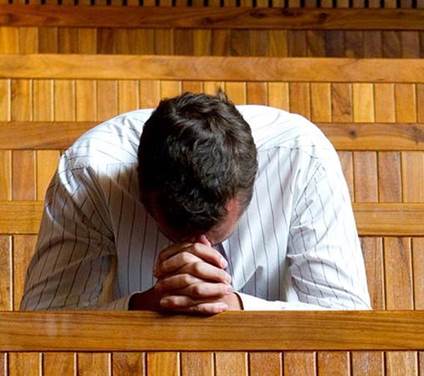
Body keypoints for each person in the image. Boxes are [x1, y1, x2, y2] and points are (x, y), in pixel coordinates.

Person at [20, 91, 371, 314]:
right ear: (142, 193)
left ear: (248, 189)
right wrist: (143, 305)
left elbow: (347, 315)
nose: (199, 253)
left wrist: (235, 305)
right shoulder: (89, 170)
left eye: (215, 235)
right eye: (174, 231)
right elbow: (44, 320)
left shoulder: (302, 156)